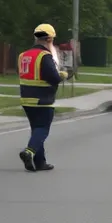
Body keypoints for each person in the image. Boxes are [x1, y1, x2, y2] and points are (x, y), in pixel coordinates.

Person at [17, 23, 69, 172]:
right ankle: (29, 152)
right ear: (49, 39)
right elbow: (53, 77)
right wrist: (63, 75)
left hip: (26, 99)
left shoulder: (23, 55)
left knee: (36, 129)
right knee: (43, 129)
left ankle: (40, 162)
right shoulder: (45, 56)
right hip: (42, 99)